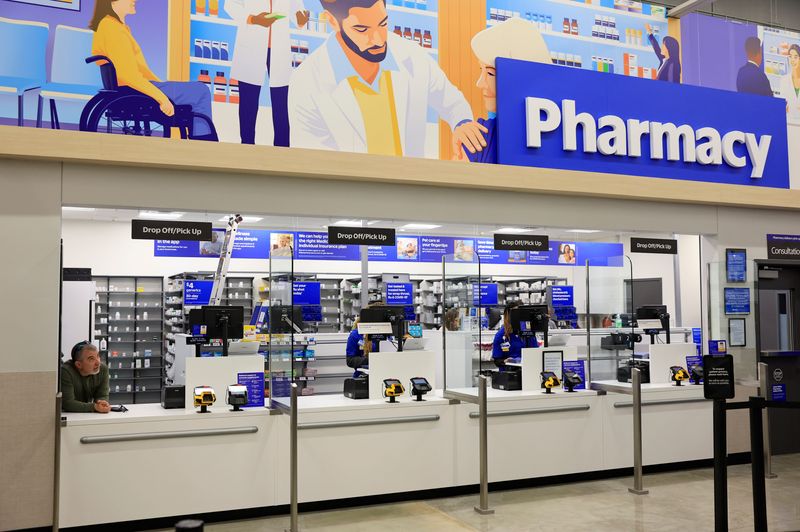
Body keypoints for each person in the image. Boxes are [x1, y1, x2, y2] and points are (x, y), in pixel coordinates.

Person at [289, 0, 487, 158]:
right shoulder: (307, 81)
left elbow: (452, 101)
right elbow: (313, 162)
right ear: (332, 21)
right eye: (362, 29)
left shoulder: (411, 55)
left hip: (410, 194)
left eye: (382, 24)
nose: (378, 39)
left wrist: (462, 123)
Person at [89, 0, 217, 141]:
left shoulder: (108, 25)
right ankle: (204, 143)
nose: (134, 1)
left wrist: (158, 85)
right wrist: (162, 98)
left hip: (132, 87)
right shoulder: (114, 29)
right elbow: (129, 75)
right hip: (134, 88)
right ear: (113, 3)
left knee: (196, 90)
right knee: (201, 91)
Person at [463, 18, 551, 163]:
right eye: (481, 71)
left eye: (490, 73)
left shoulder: (564, 137)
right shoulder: (482, 137)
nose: (480, 83)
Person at [225, 0, 310, 146]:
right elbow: (230, 5)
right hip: (251, 45)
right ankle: (246, 147)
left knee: (281, 103)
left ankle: (282, 149)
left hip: (279, 49)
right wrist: (254, 19)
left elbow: (297, 13)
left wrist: (302, 19)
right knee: (248, 102)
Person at [62, 341, 110, 413]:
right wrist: (94, 406)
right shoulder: (66, 371)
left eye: (98, 356)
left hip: (86, 415)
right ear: (78, 365)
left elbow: (102, 395)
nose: (98, 363)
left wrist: (102, 402)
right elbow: (68, 403)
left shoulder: (103, 369)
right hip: (68, 416)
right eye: (91, 359)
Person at [492, 302, 539, 368]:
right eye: (515, 314)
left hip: (526, 371)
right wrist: (505, 361)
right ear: (508, 315)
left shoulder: (527, 333)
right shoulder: (501, 335)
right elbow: (497, 360)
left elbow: (535, 353)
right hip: (508, 373)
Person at [345, 304, 383, 376]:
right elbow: (350, 360)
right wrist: (371, 359)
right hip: (363, 375)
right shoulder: (356, 334)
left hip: (384, 373)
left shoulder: (387, 334)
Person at [779, 44, 800, 123]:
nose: (792, 60)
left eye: (795, 57)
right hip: (789, 122)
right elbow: (783, 105)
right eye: (790, 56)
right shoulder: (784, 80)